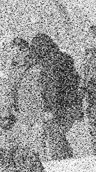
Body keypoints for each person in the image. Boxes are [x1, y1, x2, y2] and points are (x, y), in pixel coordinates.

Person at [29, 32, 82, 162]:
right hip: (70, 104)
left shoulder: (52, 63)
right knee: (57, 136)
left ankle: (63, 165)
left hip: (61, 106)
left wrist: (51, 110)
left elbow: (53, 88)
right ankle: (67, 162)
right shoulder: (60, 60)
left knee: (54, 136)